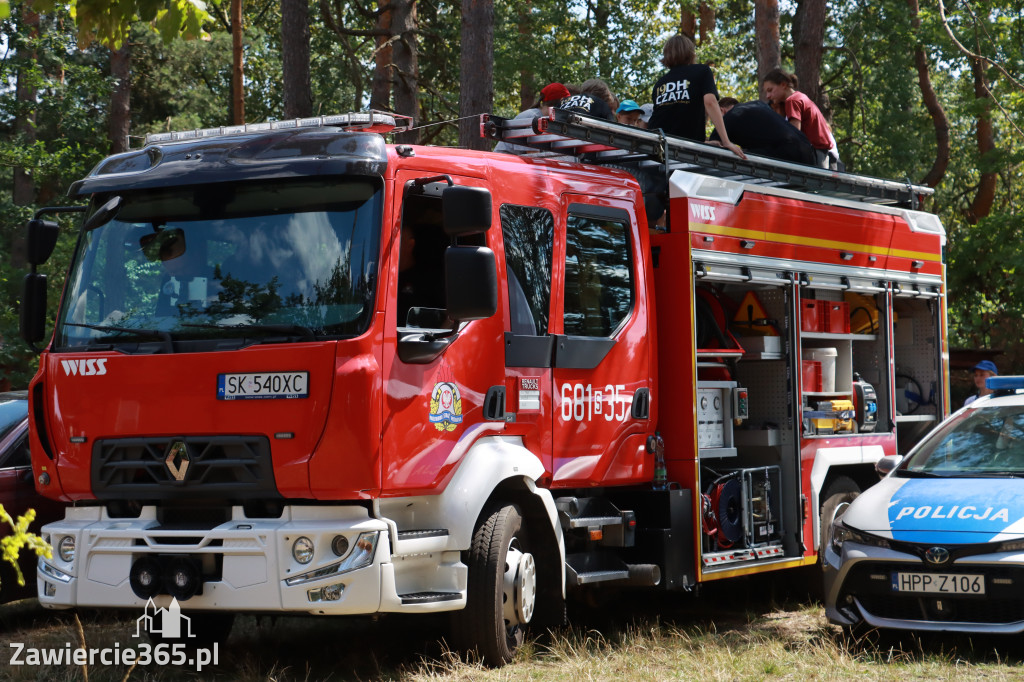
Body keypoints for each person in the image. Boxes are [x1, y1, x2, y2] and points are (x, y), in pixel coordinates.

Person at [647, 34, 745, 160]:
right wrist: (726, 141)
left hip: (657, 147)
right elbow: (710, 102)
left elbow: (672, 119)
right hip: (684, 151)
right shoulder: (702, 71)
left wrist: (704, 143)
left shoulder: (660, 84)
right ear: (690, 53)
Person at [762, 68, 838, 170]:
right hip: (823, 154)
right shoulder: (800, 96)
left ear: (783, 85)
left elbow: (793, 135)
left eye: (770, 90)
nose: (767, 96)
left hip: (816, 154)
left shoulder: (792, 101)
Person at [709, 97, 817, 165]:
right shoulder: (758, 104)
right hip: (807, 149)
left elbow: (712, 147)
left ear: (721, 111)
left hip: (786, 151)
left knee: (737, 158)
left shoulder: (727, 119)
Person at [494, 82, 571, 153]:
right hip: (504, 163)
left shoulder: (540, 117)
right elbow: (533, 155)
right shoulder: (534, 118)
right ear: (561, 102)